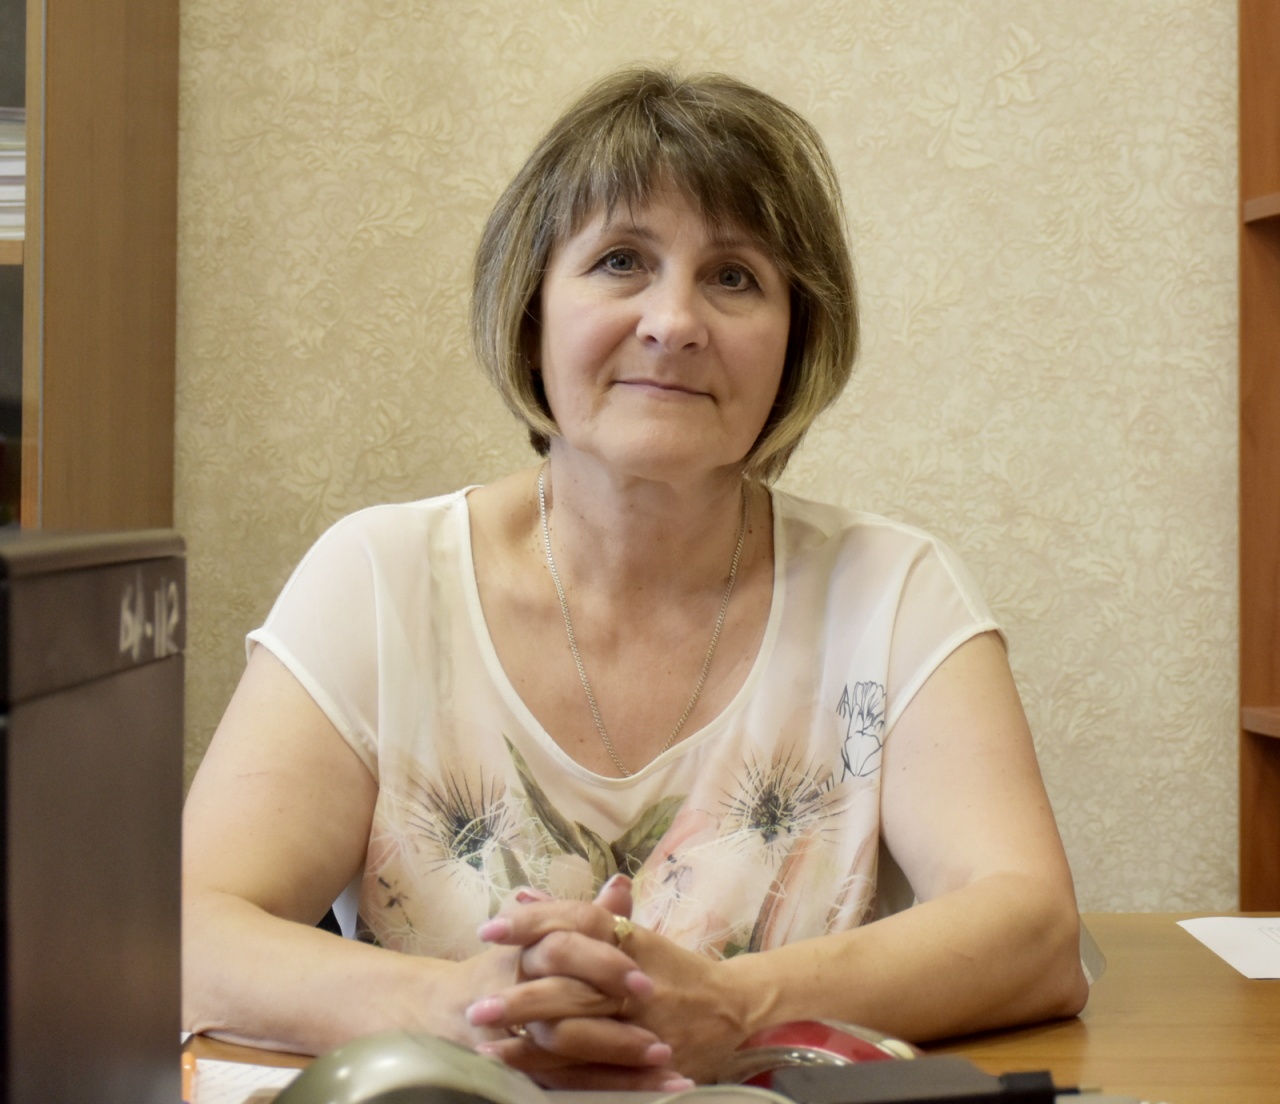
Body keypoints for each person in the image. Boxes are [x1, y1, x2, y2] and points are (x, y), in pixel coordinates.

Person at [182, 67, 1088, 1089]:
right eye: (621, 261)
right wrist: (460, 1011)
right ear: (531, 314)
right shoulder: (377, 577)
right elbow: (185, 935)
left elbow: (1034, 930)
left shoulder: (892, 591)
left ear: (794, 344)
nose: (673, 322)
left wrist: (738, 1008)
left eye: (733, 277)